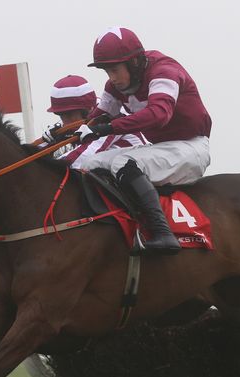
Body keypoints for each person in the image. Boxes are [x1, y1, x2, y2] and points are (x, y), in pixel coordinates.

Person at [76, 26, 212, 255]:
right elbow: (98, 116)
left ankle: (163, 233)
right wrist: (66, 132)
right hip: (161, 148)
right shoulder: (115, 86)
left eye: (115, 69)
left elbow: (159, 115)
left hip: (191, 147)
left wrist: (108, 127)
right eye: (107, 71)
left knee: (123, 163)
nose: (112, 78)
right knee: (90, 165)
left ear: (135, 62)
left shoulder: (164, 72)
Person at [40, 75, 145, 169]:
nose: (65, 123)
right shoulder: (83, 117)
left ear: (88, 110)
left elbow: (84, 155)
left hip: (139, 168)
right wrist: (48, 142)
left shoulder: (111, 116)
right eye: (61, 115)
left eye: (69, 115)